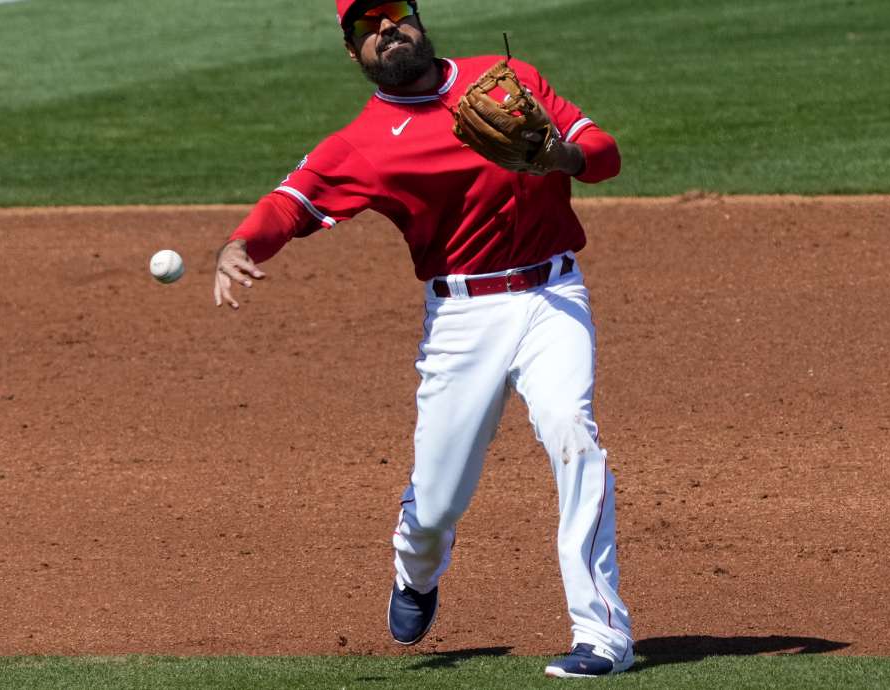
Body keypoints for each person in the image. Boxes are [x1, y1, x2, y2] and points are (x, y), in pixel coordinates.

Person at [212, 0, 633, 678]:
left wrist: (566, 155)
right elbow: (290, 203)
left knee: (570, 430)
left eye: (393, 13)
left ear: (417, 18)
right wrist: (240, 244)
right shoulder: (362, 144)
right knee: (436, 505)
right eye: (365, 27)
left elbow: (606, 157)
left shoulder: (507, 80)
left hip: (553, 294)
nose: (385, 29)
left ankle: (603, 636)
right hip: (462, 320)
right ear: (354, 53)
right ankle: (416, 567)